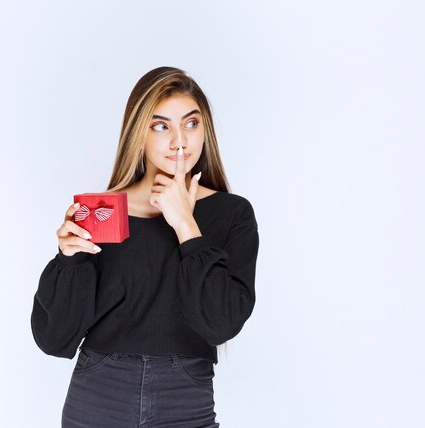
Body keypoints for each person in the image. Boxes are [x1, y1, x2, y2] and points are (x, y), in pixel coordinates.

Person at [30, 66, 260, 428]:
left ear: (206, 130)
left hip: (185, 395)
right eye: (161, 126)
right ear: (139, 132)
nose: (179, 141)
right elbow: (54, 337)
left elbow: (222, 324)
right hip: (99, 391)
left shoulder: (232, 214)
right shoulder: (103, 211)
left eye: (190, 123)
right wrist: (68, 260)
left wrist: (186, 223)